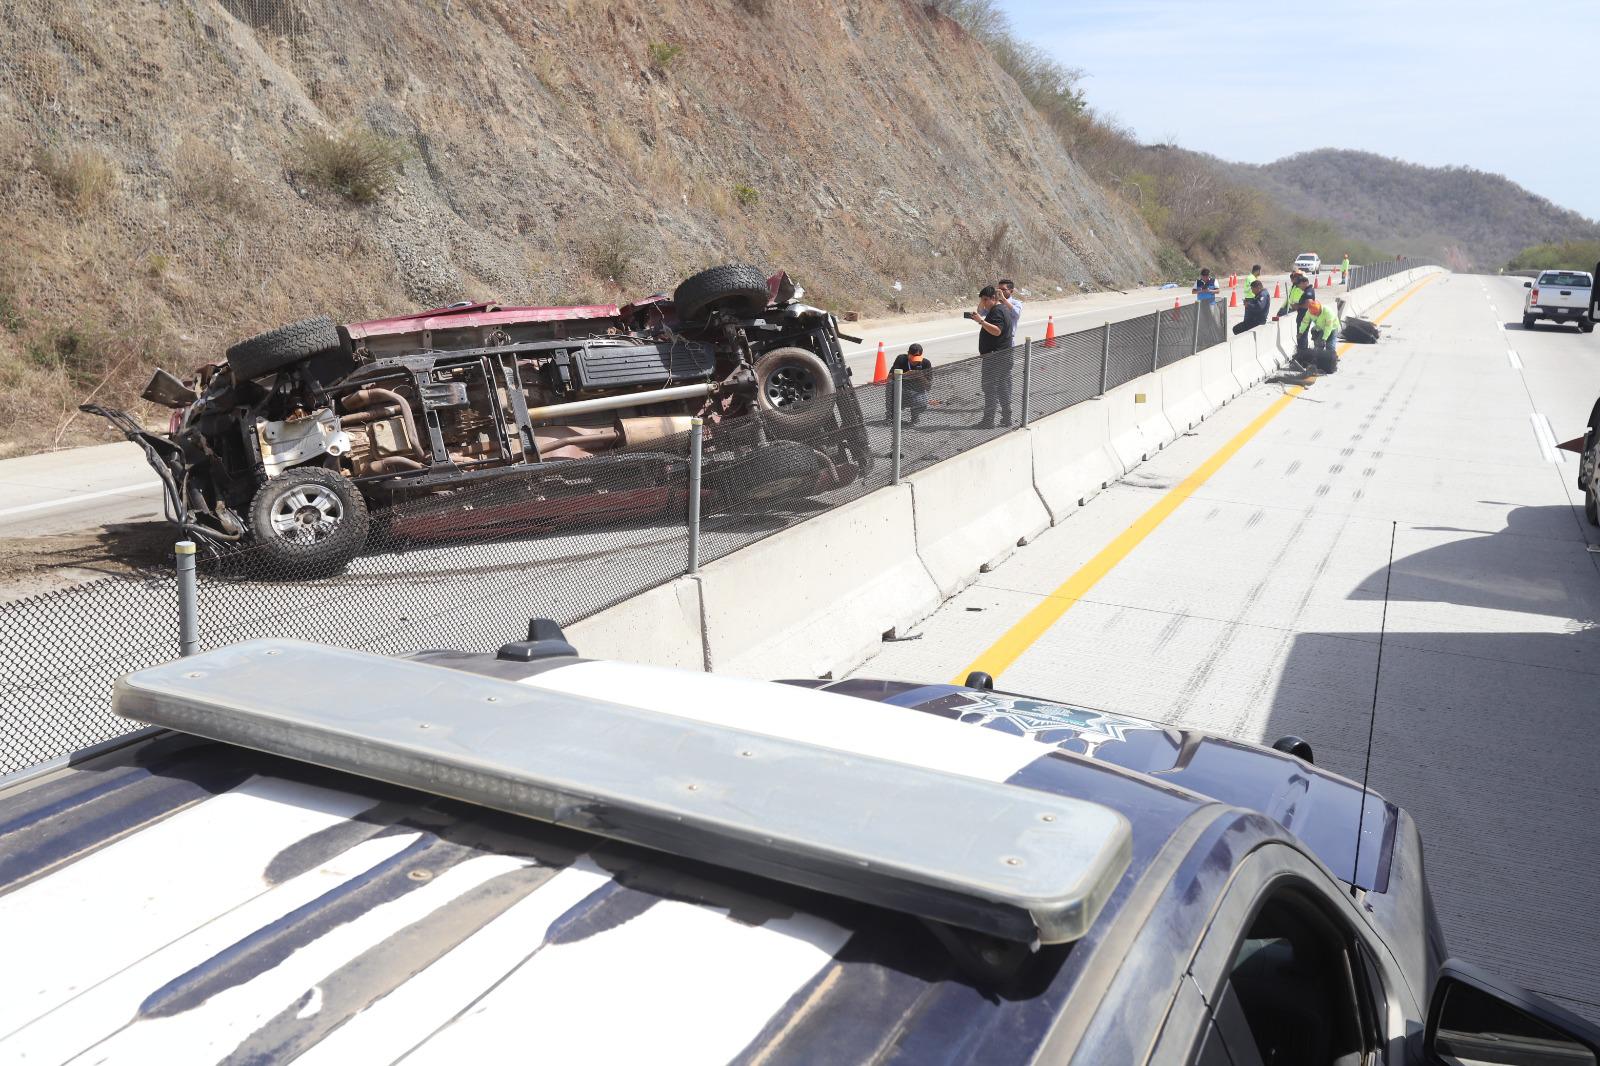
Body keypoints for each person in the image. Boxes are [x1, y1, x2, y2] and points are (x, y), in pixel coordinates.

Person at [968, 285, 1013, 428]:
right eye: (983, 300)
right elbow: (982, 309)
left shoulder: (997, 311)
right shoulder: (1000, 309)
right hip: (1002, 357)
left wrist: (981, 321)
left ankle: (988, 421)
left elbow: (997, 331)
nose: (984, 303)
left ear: (993, 298)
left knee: (990, 389)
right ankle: (1006, 418)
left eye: (986, 300)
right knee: (1001, 388)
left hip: (995, 359)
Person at [888, 343, 934, 425]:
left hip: (916, 391)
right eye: (913, 358)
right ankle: (892, 416)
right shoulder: (901, 359)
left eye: (917, 358)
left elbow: (928, 386)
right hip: (901, 389)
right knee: (890, 386)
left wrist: (920, 376)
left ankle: (915, 416)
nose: (915, 361)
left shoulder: (926, 363)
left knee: (921, 402)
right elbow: (890, 377)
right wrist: (906, 374)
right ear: (908, 354)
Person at [1297, 297, 1341, 372]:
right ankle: (1319, 362)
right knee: (1318, 346)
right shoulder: (1309, 312)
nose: (1315, 315)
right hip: (1321, 328)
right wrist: (1301, 332)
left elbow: (1328, 327)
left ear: (1320, 309)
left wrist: (1324, 339)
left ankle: (1332, 361)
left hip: (1333, 328)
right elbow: (1305, 322)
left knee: (1330, 346)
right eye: (1314, 314)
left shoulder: (1327, 312)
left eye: (1317, 313)